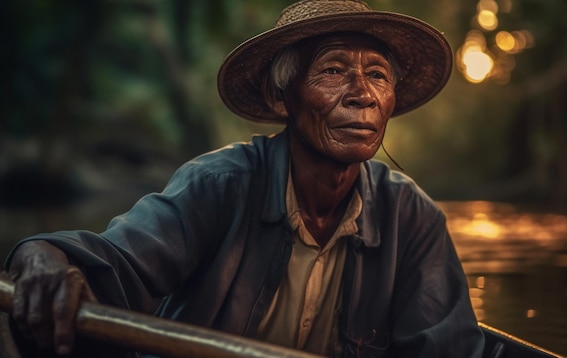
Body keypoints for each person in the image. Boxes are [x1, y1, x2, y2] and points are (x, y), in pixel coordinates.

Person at [5, 0, 485, 357]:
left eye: (378, 75)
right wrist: (43, 256)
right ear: (282, 99)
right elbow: (108, 265)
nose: (361, 94)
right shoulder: (218, 185)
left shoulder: (412, 215)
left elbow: (444, 347)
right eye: (333, 70)